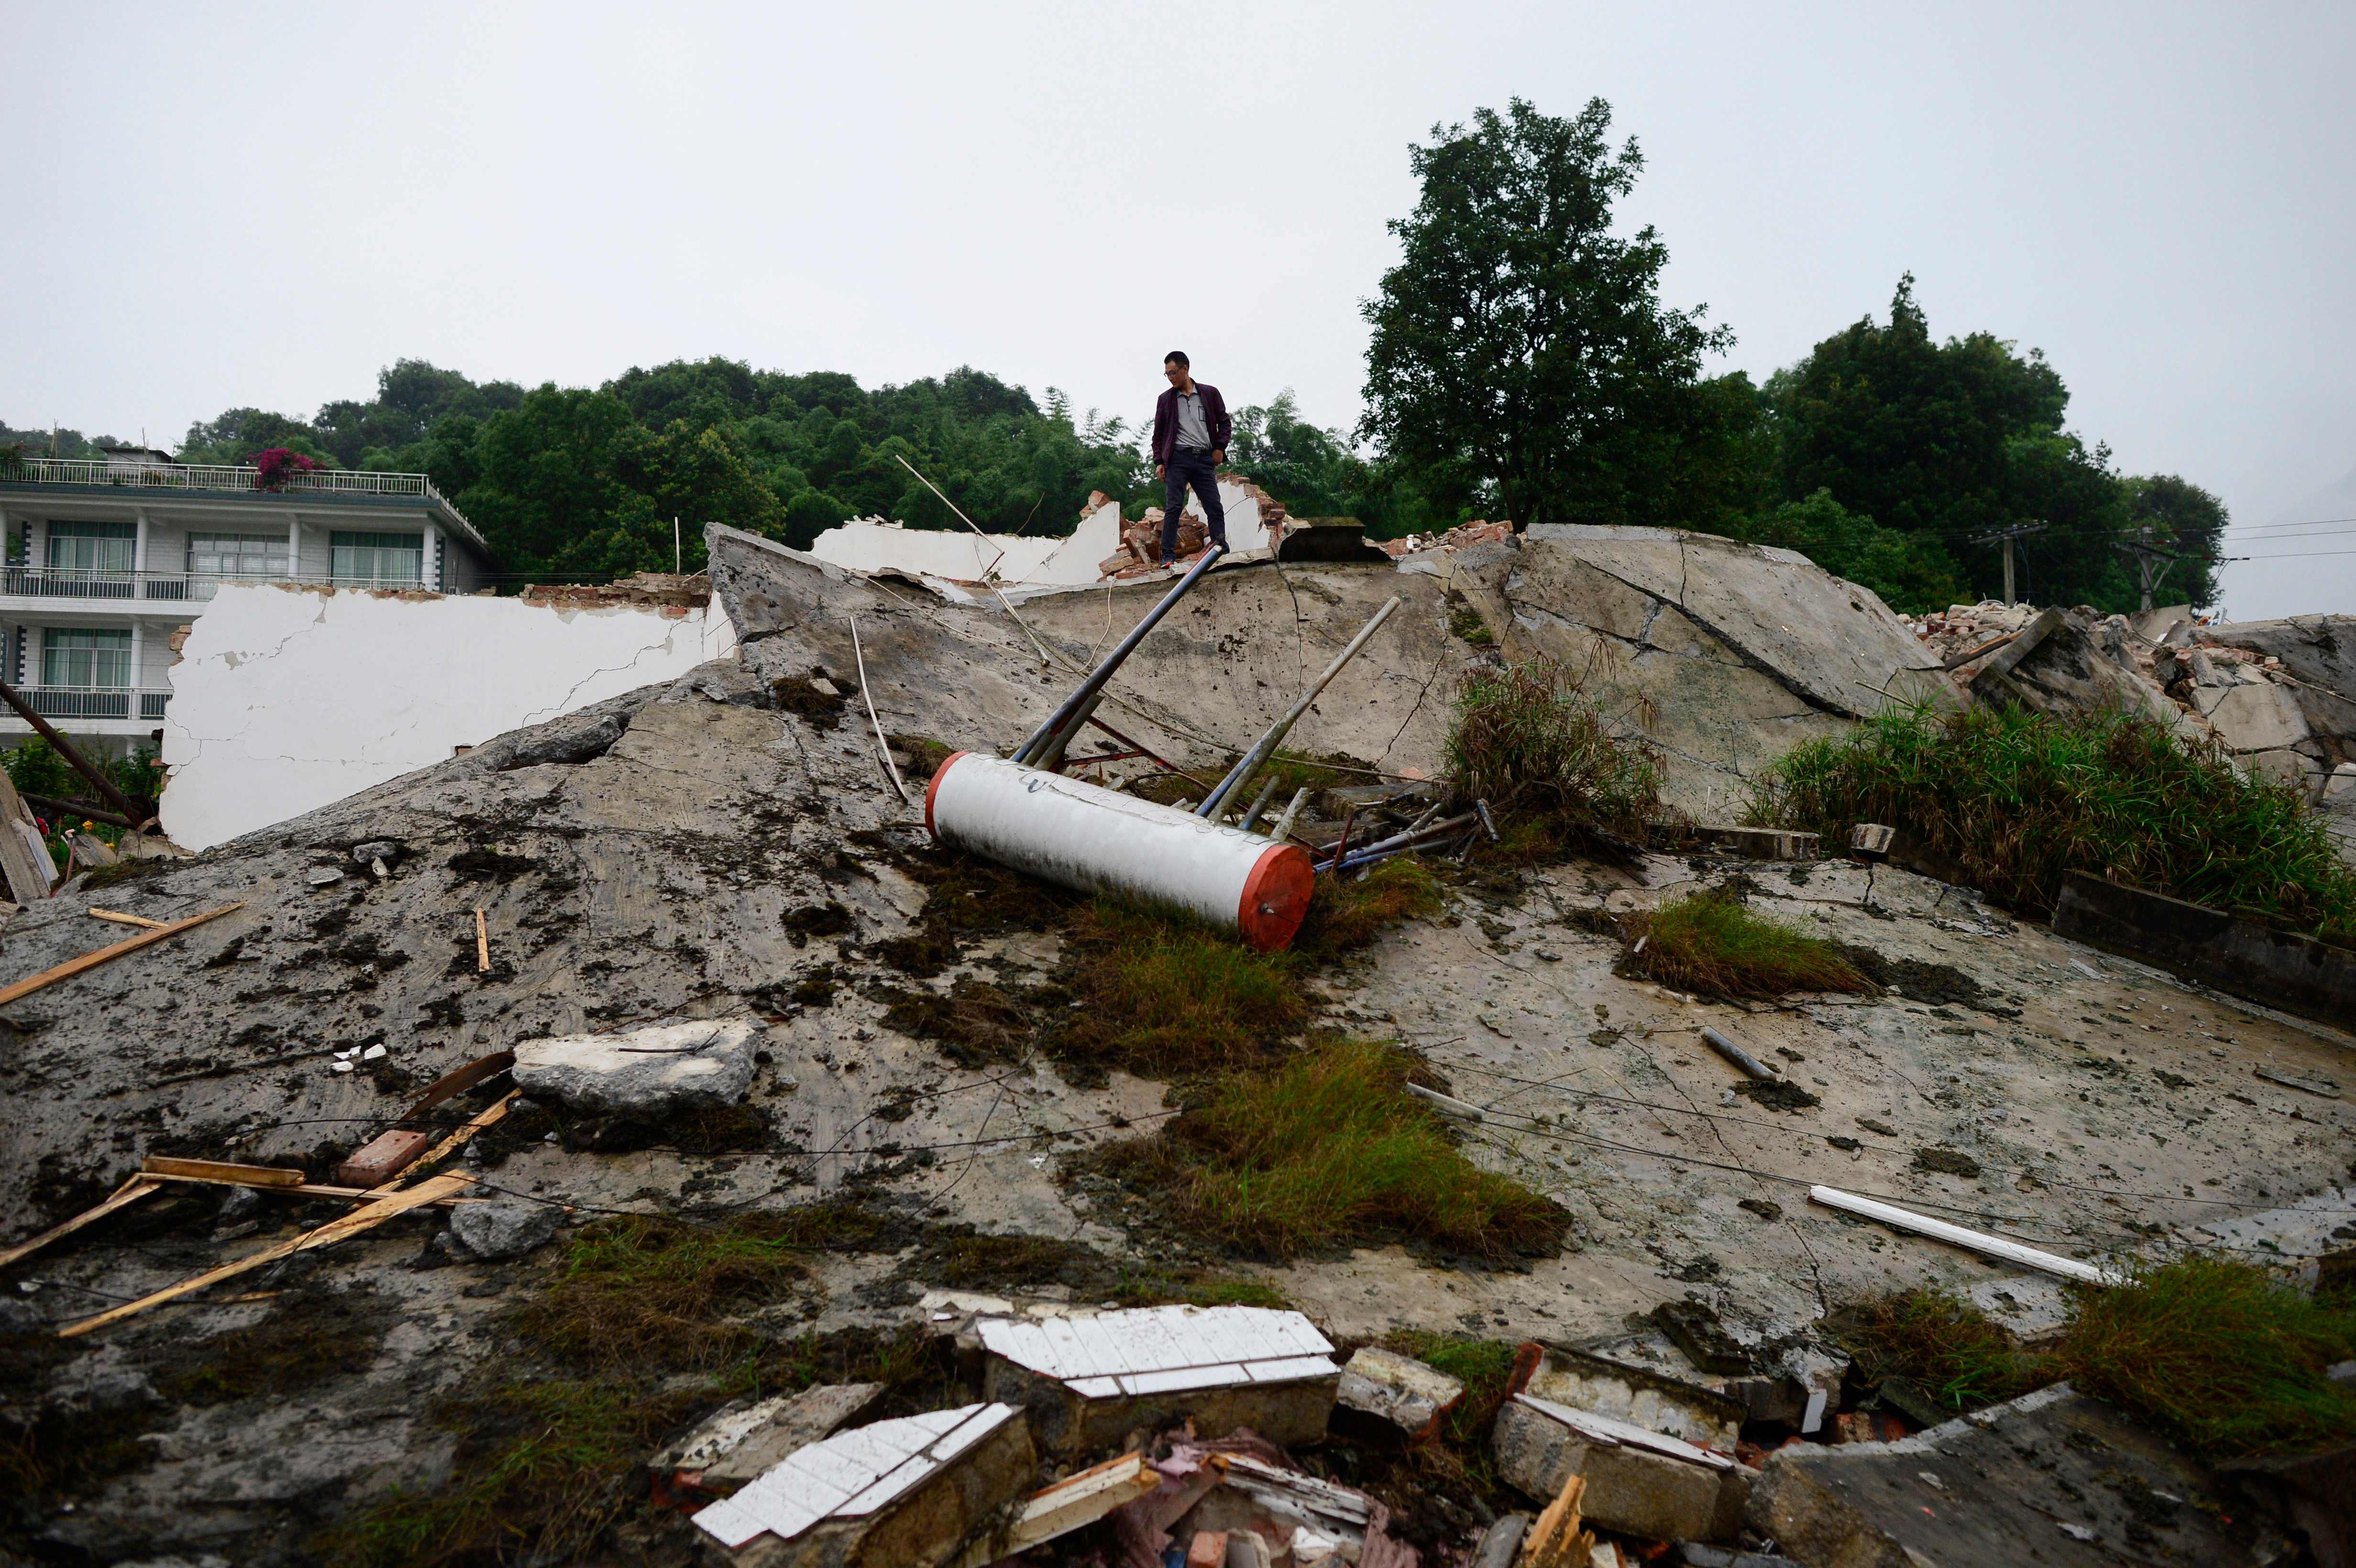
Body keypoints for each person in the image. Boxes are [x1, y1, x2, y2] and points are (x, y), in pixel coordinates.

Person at [1150, 351, 1232, 568]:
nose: (1171, 378)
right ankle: (1168, 555)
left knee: (1214, 505)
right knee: (1174, 507)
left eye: (1173, 373)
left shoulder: (1209, 394)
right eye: (1167, 374)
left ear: (1186, 369)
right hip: (1178, 459)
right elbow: (1158, 435)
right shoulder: (1166, 400)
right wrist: (1160, 461)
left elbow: (1224, 423)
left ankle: (1219, 549)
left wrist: (1220, 448)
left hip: (1205, 459)